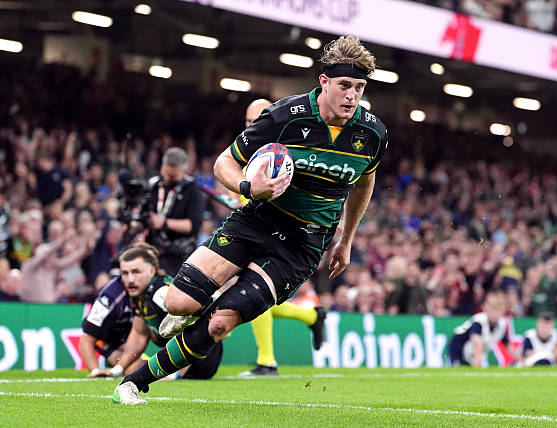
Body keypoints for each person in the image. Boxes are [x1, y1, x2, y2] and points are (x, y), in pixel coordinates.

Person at [113, 35, 388, 404]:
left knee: (219, 324)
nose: (352, 96)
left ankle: (133, 384)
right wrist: (248, 186)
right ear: (324, 81)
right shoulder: (284, 117)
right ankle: (197, 308)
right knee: (178, 304)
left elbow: (365, 181)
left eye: (359, 87)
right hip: (256, 220)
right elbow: (223, 163)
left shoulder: (372, 133)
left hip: (302, 244)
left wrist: (346, 240)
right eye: (344, 85)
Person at [240, 98, 327, 377]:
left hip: (277, 234)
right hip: (252, 229)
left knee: (252, 290)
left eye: (257, 120)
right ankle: (311, 316)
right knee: (254, 294)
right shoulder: (247, 151)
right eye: (248, 121)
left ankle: (267, 361)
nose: (252, 126)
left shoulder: (284, 154)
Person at [92, 243, 222, 380]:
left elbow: (194, 324)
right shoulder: (141, 294)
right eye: (125, 273)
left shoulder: (160, 293)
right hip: (186, 358)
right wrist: (118, 369)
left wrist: (174, 375)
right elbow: (139, 334)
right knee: (132, 370)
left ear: (152, 271)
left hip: (201, 359)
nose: (130, 279)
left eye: (136, 272)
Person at [144, 147, 205, 276]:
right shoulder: (154, 185)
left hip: (180, 256)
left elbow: (193, 225)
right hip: (154, 252)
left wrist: (164, 223)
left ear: (184, 171)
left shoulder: (193, 190)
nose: (166, 178)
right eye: (165, 173)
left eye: (172, 176)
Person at [448, 292, 522, 367]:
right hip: (459, 347)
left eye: (498, 310)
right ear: (487, 309)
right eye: (493, 309)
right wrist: (477, 365)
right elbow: (477, 343)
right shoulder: (479, 321)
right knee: (460, 368)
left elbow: (508, 345)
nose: (495, 313)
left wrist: (522, 361)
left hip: (473, 351)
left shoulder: (501, 325)